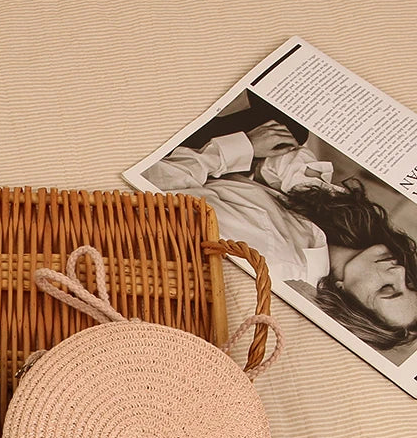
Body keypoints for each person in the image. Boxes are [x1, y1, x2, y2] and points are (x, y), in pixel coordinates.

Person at [141, 123, 417, 352]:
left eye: (387, 289)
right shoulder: (350, 229)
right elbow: (286, 156)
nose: (398, 270)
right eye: (409, 282)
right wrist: (272, 170)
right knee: (291, 128)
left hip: (183, 155)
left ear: (345, 295)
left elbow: (156, 185)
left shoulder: (275, 256)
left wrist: (244, 147)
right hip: (219, 161)